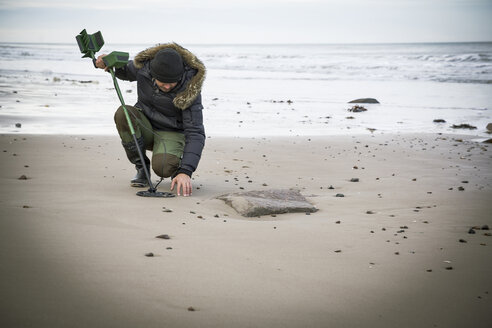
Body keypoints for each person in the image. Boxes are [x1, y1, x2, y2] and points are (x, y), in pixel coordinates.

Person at [95, 43, 206, 197]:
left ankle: (176, 166)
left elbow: (196, 132)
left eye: (171, 83)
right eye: (163, 82)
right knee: (124, 113)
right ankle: (141, 168)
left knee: (163, 169)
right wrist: (106, 62)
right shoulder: (145, 68)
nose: (167, 86)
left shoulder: (190, 88)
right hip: (145, 125)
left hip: (171, 132)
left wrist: (186, 170)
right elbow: (125, 70)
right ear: (153, 75)